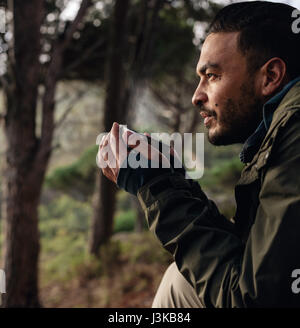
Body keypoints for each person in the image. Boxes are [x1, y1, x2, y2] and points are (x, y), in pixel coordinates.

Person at [97, 1, 300, 307]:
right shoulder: (279, 131)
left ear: (270, 76)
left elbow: (251, 300)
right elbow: (251, 260)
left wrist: (155, 184)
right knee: (180, 281)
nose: (197, 95)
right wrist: (171, 179)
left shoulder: (294, 130)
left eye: (213, 76)